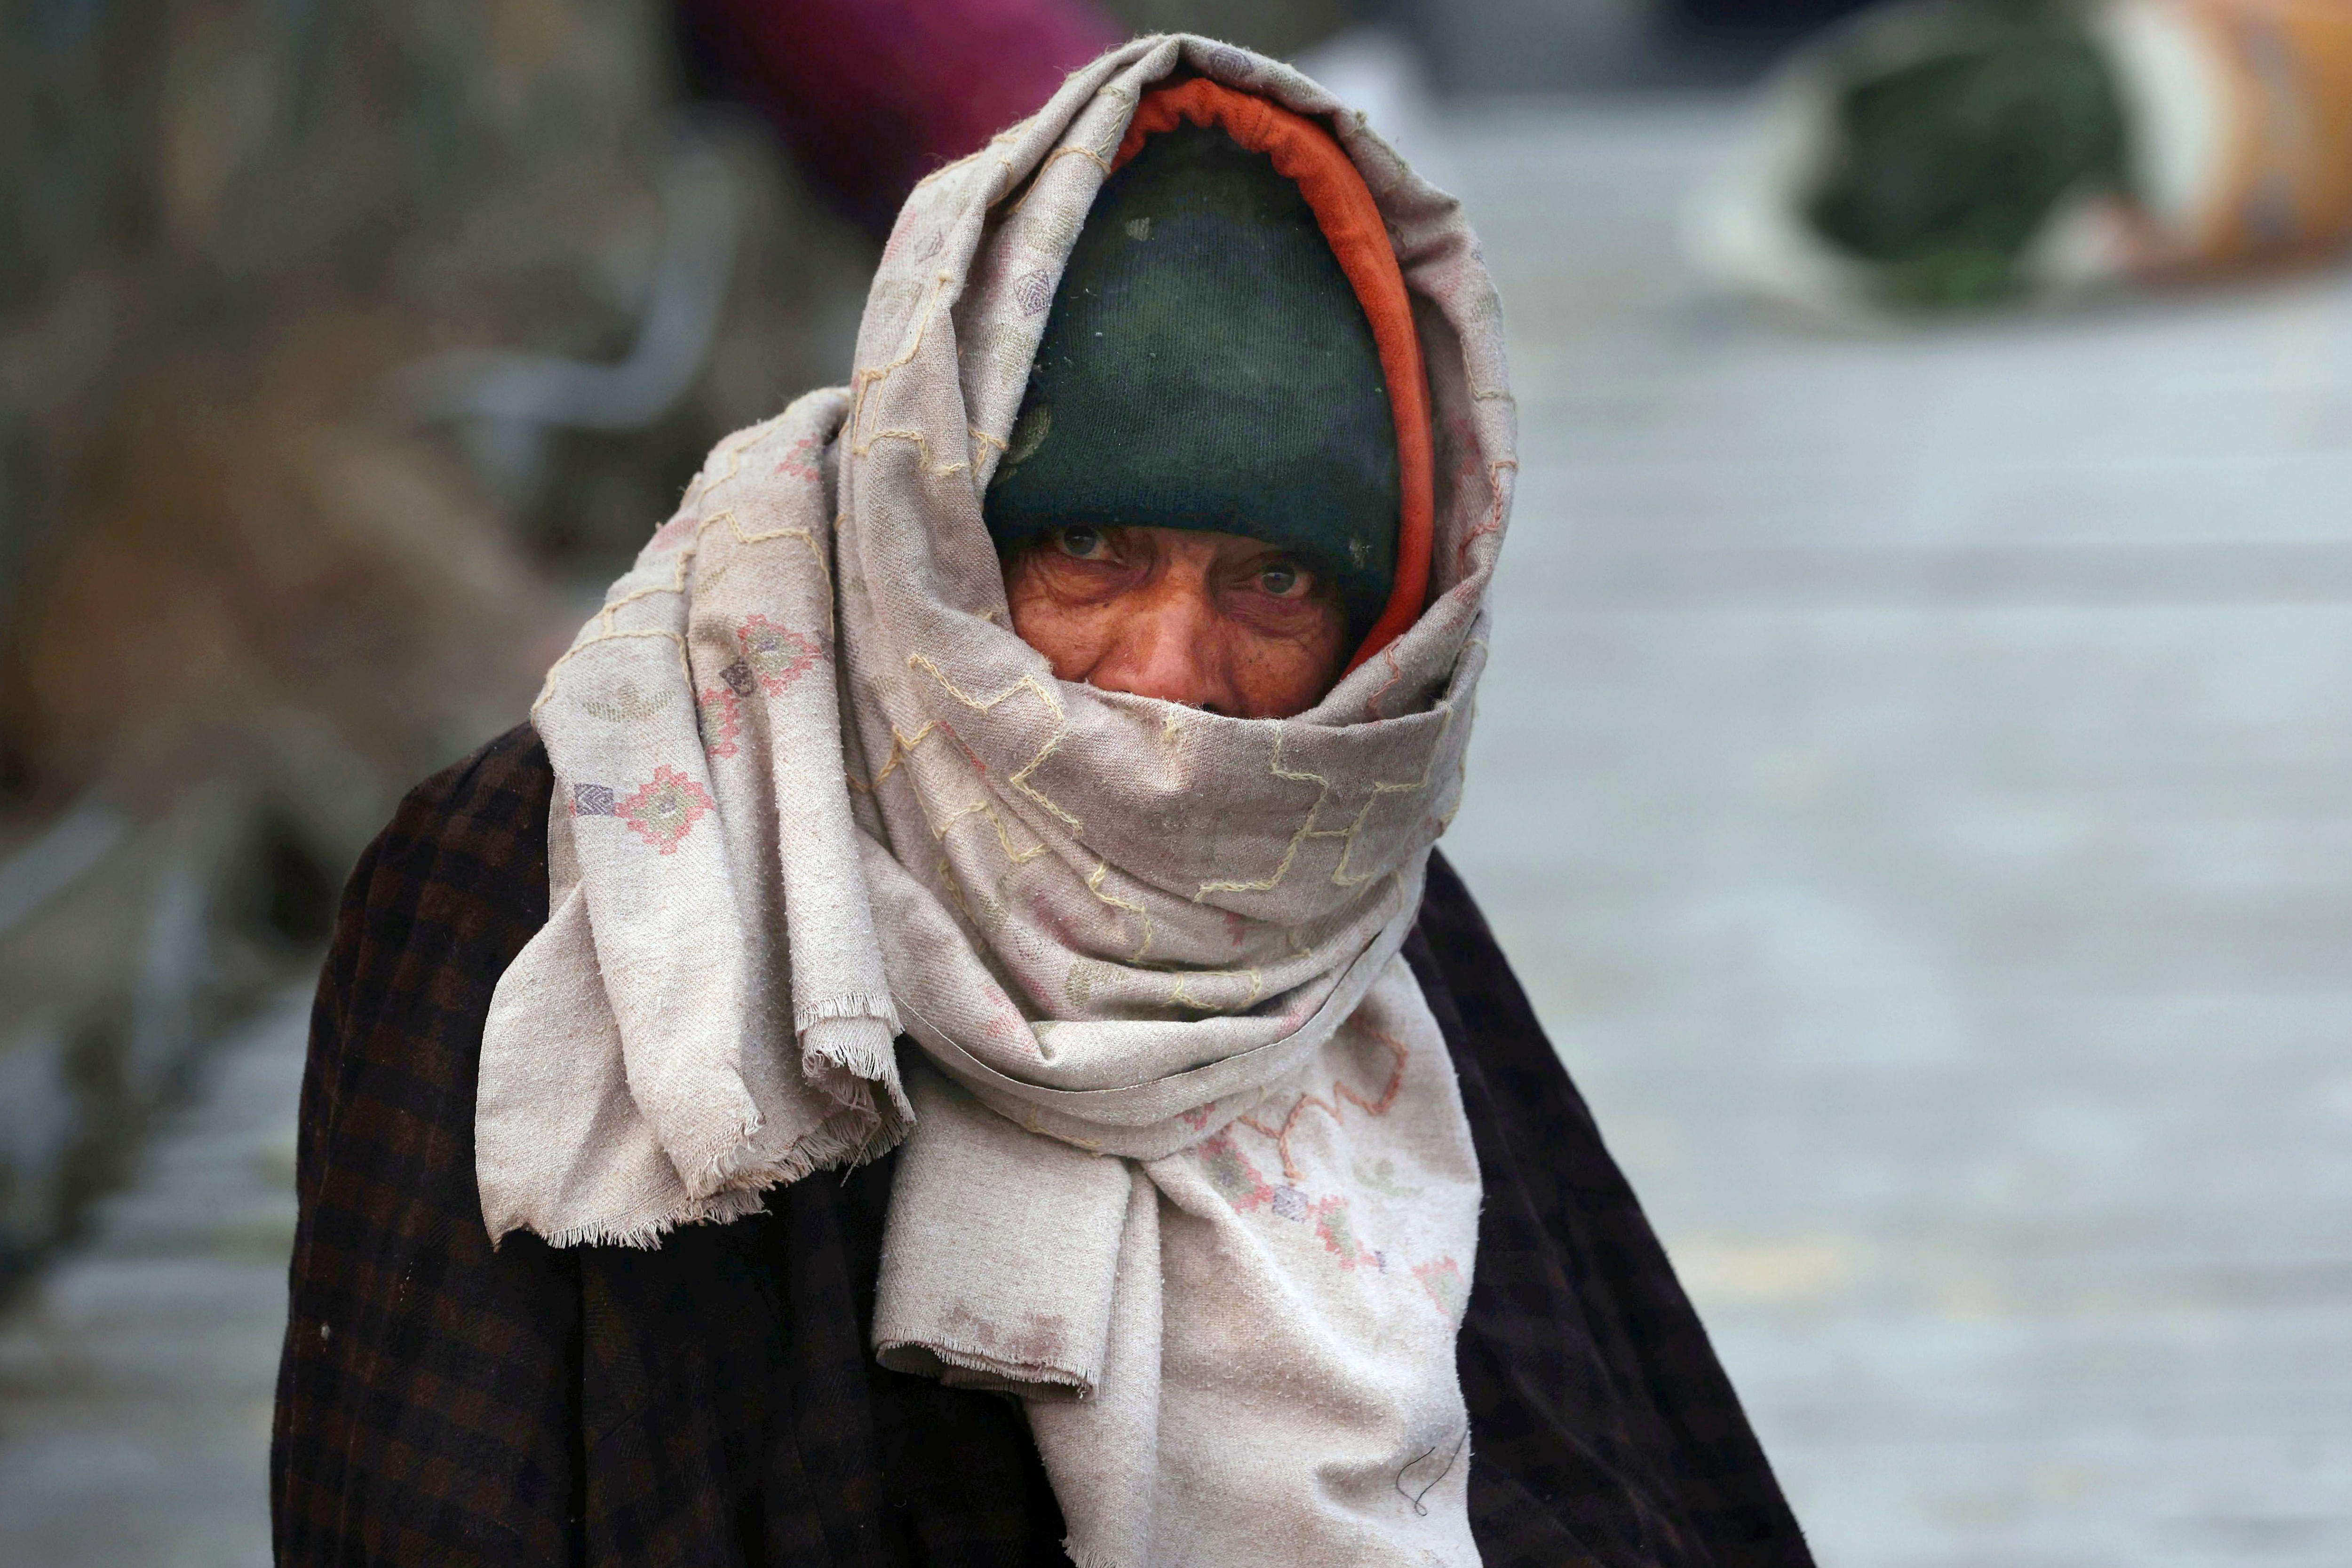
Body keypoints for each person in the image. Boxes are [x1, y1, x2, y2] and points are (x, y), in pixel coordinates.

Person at [272, 37, 1814, 1568]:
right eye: (1091, 550)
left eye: (1273, 582)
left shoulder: (1331, 878)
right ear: (934, 516)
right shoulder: (536, 888)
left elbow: (1613, 1468)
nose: (1171, 679)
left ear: (1389, 629)